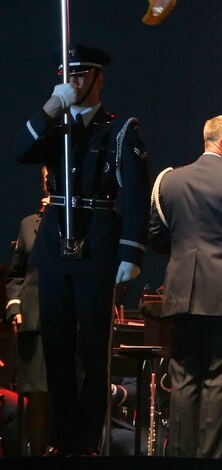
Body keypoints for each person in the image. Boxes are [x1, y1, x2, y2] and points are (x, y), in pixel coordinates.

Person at [12, 45, 150, 456]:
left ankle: (86, 441)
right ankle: (61, 438)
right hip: (56, 243)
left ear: (98, 79)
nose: (73, 83)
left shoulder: (120, 129)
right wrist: (53, 105)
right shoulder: (55, 127)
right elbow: (21, 151)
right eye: (66, 75)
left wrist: (131, 252)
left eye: (80, 76)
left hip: (98, 242)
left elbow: (137, 195)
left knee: (91, 349)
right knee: (56, 349)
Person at [148, 115, 222, 458]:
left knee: (183, 376)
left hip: (181, 290)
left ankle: (180, 456)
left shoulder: (169, 180)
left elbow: (154, 236)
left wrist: (183, 256)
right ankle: (209, 458)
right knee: (218, 379)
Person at [4, 168, 51, 456]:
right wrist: (14, 306)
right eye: (45, 174)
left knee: (64, 397)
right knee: (37, 401)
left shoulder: (75, 220)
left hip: (67, 322)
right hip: (35, 323)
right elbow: (16, 275)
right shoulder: (28, 224)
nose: (48, 178)